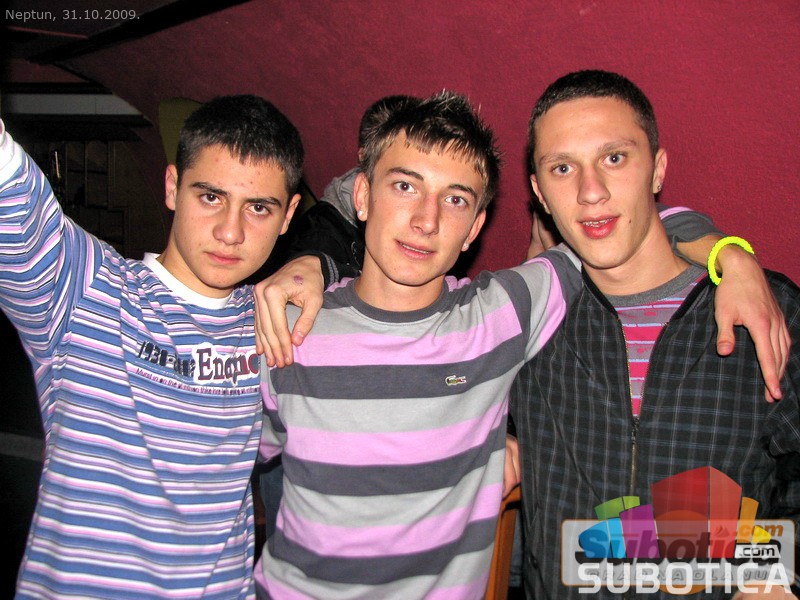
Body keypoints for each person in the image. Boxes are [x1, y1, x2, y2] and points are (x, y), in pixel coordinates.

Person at [252, 90, 782, 599]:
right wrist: (314, 262)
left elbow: (623, 220)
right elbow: (225, 466)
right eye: (406, 186)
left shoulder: (500, 315)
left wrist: (732, 255)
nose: (426, 220)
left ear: (474, 227)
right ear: (363, 196)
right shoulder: (288, 326)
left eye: (455, 199)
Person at [510, 70, 799, 599]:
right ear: (540, 193)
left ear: (658, 169)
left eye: (614, 158)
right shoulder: (523, 323)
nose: (591, 191)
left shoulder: (766, 311)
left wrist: (778, 574)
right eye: (562, 168)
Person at [0, 94, 303, 599]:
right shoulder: (82, 288)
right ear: (172, 187)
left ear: (288, 215)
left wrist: (320, 265)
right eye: (211, 197)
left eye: (258, 208)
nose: (230, 231)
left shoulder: (274, 321)